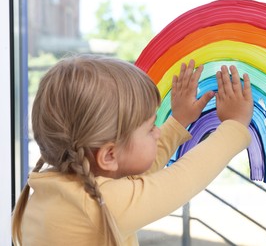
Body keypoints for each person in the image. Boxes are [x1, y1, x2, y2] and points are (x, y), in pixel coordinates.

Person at [11, 54, 253, 246]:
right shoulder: (98, 203)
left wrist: (178, 122)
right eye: (150, 128)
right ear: (109, 155)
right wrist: (233, 125)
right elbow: (182, 180)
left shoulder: (56, 192)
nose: (157, 132)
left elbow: (137, 173)